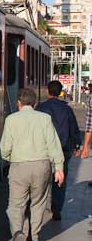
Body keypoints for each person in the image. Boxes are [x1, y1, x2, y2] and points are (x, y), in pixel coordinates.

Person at [0, 88, 64, 241]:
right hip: (42, 166)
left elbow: (4, 148)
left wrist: (9, 157)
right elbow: (53, 145)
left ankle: (17, 233)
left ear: (18, 103)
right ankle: (34, 239)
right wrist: (59, 169)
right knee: (38, 202)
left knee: (16, 205)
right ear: (35, 103)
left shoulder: (11, 120)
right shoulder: (45, 119)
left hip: (19, 165)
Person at [37, 81, 81, 220]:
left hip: (44, 150)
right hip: (63, 149)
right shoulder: (66, 109)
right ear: (60, 92)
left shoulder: (40, 108)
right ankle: (56, 208)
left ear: (47, 92)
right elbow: (73, 128)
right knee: (60, 180)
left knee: (42, 179)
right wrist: (76, 145)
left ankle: (40, 207)